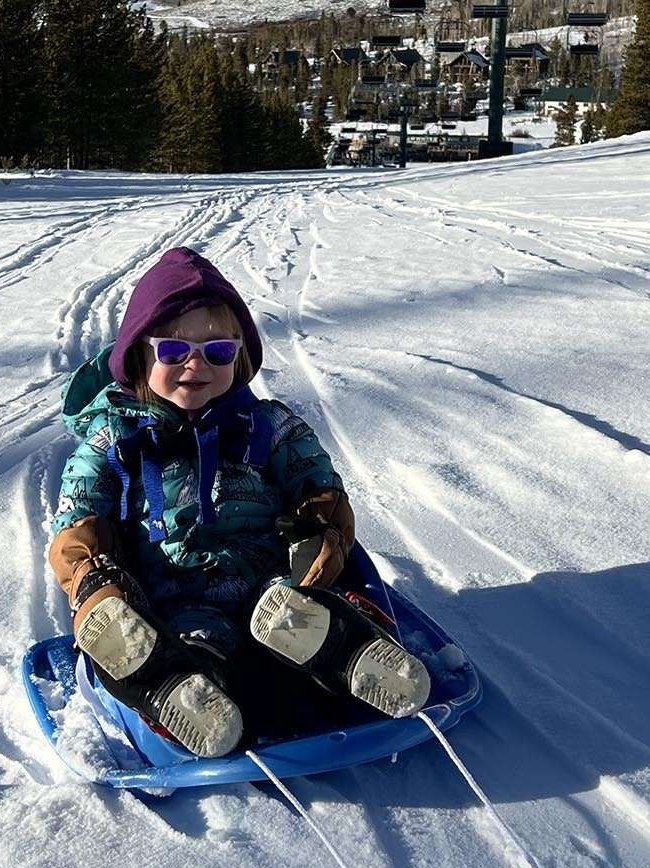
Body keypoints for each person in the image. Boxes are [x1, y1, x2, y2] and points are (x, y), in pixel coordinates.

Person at [47, 247, 431, 758]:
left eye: (217, 352)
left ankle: (354, 651)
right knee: (194, 640)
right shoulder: (112, 437)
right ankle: (172, 684)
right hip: (171, 594)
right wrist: (93, 576)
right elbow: (80, 508)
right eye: (173, 352)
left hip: (270, 582)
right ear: (140, 353)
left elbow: (314, 481)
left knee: (301, 609)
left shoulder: (269, 425)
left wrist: (321, 530)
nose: (195, 365)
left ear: (239, 357)